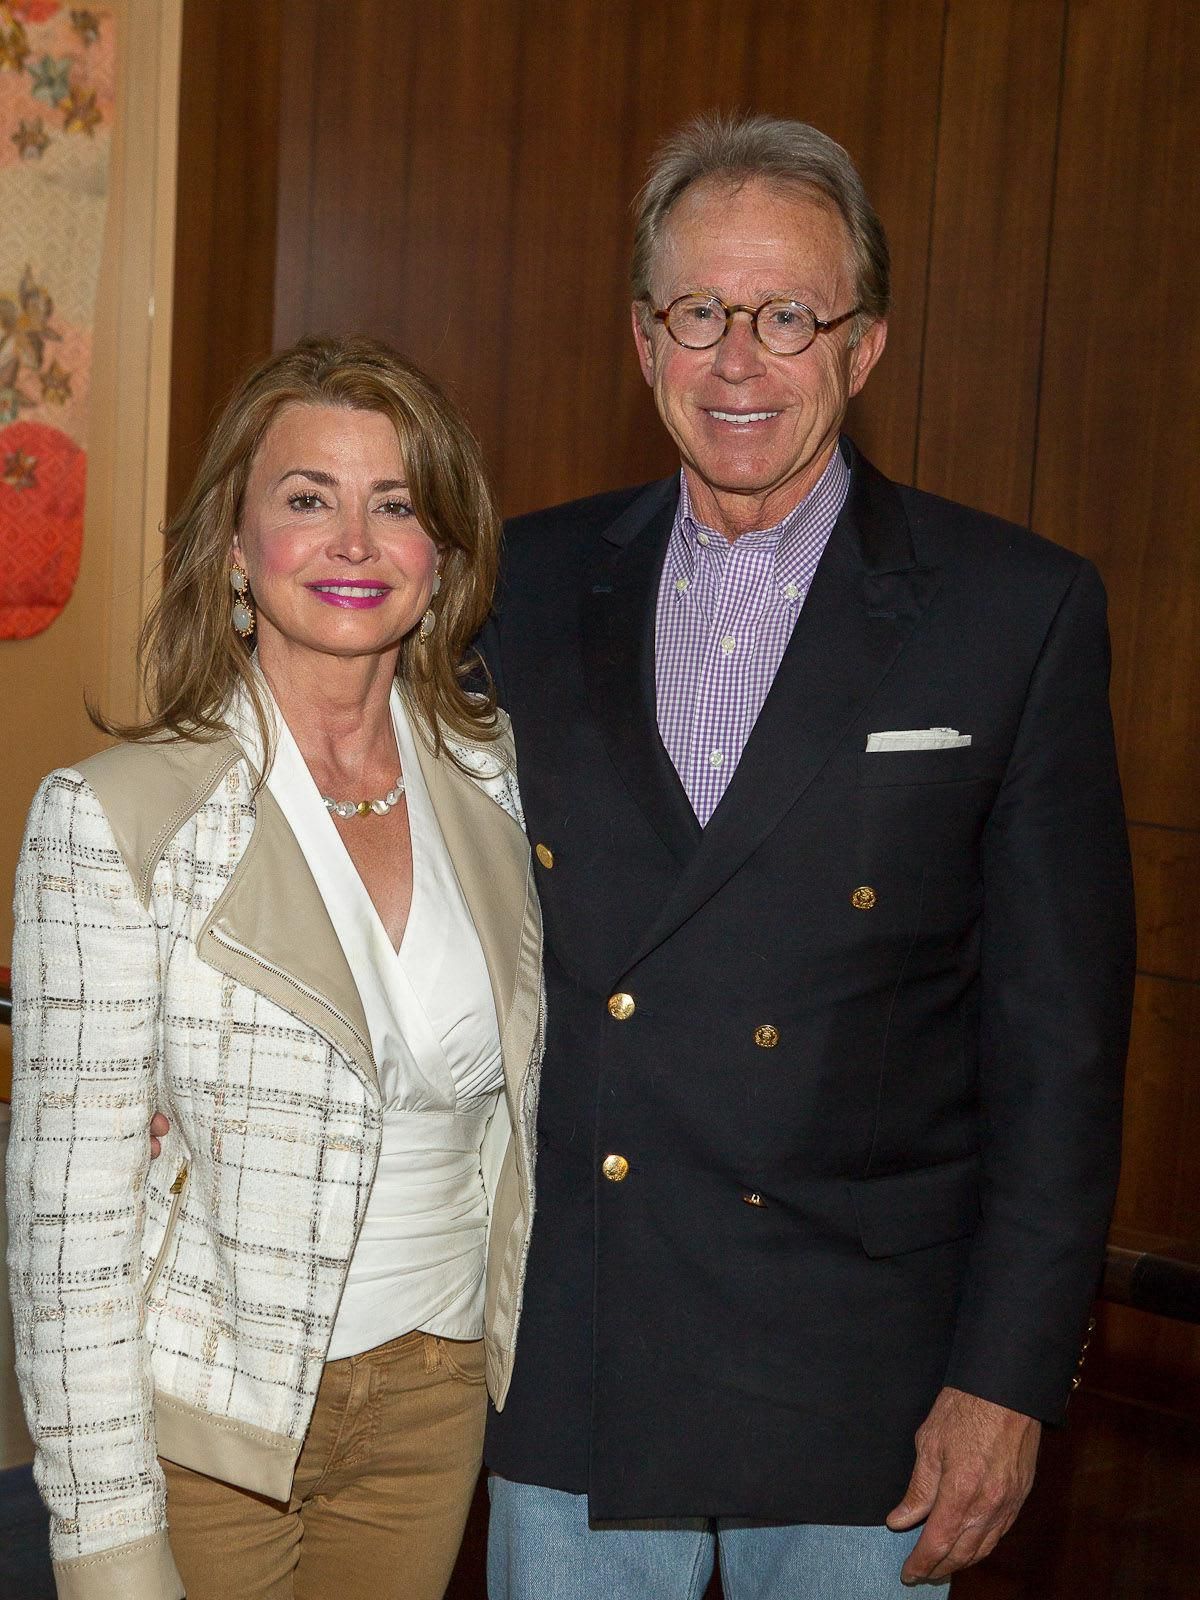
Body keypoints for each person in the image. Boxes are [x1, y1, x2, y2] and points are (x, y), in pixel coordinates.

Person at [480, 113, 1135, 1598]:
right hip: (587, 1358)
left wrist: (1012, 1378)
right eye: (700, 313)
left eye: (788, 317)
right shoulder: (511, 592)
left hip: (874, 1387)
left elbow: (1060, 1050)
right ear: (643, 337)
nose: (738, 363)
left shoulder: (1010, 612)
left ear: (864, 346)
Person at [7, 335, 544, 1600]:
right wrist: (104, 1542)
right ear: (236, 548)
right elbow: (68, 1234)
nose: (353, 542)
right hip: (209, 1419)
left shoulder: (498, 782)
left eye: (396, 504)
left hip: (435, 1397)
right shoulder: (117, 818)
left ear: (443, 554)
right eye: (307, 499)